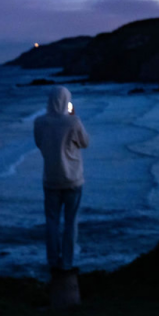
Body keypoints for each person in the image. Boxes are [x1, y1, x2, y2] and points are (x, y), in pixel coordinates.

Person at [33, 86, 90, 274]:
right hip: (73, 179)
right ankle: (67, 263)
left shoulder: (39, 122)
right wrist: (72, 113)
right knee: (71, 222)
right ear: (67, 101)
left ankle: (52, 261)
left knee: (52, 221)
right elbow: (85, 143)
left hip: (51, 179)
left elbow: (39, 144)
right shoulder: (73, 122)